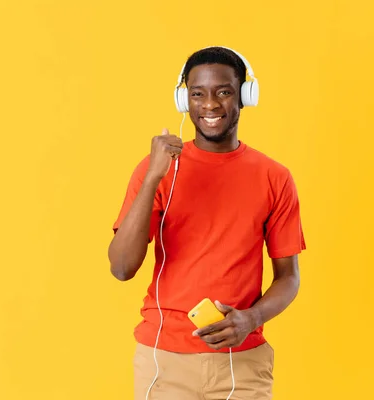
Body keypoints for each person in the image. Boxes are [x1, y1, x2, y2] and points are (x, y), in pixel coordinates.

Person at [108, 46, 306, 400]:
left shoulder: (275, 177)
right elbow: (122, 267)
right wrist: (154, 176)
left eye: (224, 92)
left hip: (242, 363)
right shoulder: (156, 170)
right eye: (198, 94)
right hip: (164, 360)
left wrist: (252, 318)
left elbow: (289, 277)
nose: (210, 105)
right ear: (185, 100)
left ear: (245, 96)